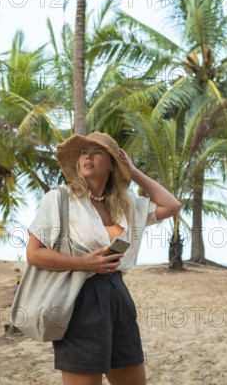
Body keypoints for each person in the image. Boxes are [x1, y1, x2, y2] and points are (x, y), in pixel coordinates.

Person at [26, 132, 180, 385]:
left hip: (117, 294)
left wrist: (133, 171)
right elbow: (34, 254)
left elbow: (171, 205)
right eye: (84, 152)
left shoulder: (128, 204)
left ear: (112, 164)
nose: (88, 156)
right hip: (78, 297)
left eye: (97, 152)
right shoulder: (60, 199)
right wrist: (85, 263)